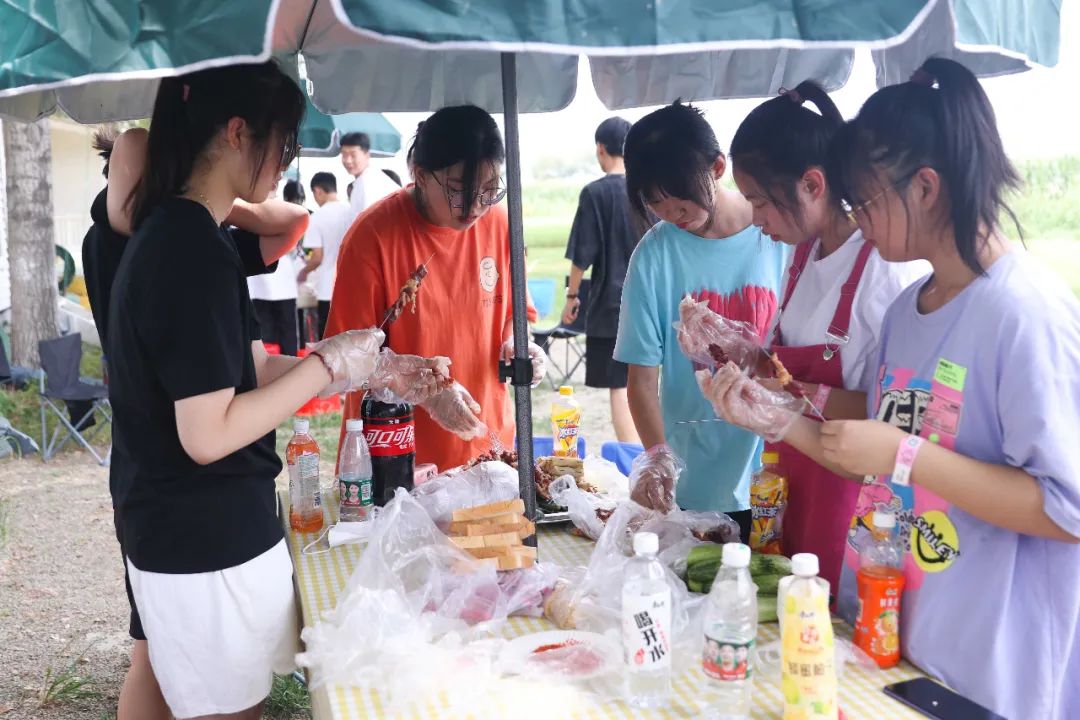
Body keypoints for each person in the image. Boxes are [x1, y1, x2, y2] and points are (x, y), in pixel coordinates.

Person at [699, 58, 1080, 720]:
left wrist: (905, 454)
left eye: (866, 202)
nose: (857, 221)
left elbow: (1064, 509)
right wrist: (773, 417)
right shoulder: (909, 313)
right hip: (894, 634)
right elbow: (868, 449)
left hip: (989, 664)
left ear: (925, 187)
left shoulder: (1024, 314)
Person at [106, 61, 449, 720]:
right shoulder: (187, 249)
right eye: (285, 144)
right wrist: (327, 365)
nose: (287, 163)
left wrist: (364, 368)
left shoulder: (189, 235)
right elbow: (207, 434)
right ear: (237, 132)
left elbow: (249, 371)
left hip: (188, 525)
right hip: (200, 536)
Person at [721, 80, 927, 587]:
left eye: (761, 202)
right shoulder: (801, 255)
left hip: (852, 507)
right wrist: (743, 358)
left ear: (813, 185)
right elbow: (782, 367)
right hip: (791, 494)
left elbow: (896, 416)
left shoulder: (884, 269)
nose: (755, 219)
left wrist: (788, 399)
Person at [326, 105, 543, 472]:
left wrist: (519, 347)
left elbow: (514, 315)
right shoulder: (372, 236)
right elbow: (343, 358)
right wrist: (425, 394)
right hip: (396, 455)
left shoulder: (501, 225)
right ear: (421, 175)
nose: (475, 206)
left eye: (489, 191)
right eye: (458, 191)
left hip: (488, 447)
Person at [614, 102, 788, 541]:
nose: (673, 214)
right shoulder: (654, 256)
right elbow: (641, 380)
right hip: (693, 483)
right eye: (656, 203)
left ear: (717, 168)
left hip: (775, 472)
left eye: (681, 198)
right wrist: (658, 457)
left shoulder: (778, 235)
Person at [559, 117, 642, 444]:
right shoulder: (645, 189)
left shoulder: (595, 193)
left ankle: (631, 453)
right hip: (649, 303)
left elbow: (582, 254)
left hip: (610, 306)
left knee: (619, 387)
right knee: (646, 381)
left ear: (600, 149)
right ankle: (649, 453)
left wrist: (572, 297)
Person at [247, 180, 304, 355]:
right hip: (264, 283)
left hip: (269, 283)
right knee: (278, 335)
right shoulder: (281, 211)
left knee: (270, 335)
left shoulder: (250, 210)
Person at [298, 172, 353, 338]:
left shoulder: (316, 218)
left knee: (328, 340)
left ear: (318, 191)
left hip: (327, 289)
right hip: (350, 286)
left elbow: (316, 258)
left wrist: (303, 272)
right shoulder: (352, 212)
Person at [339, 131, 398, 220]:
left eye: (353, 155)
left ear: (367, 155)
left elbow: (367, 222)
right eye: (344, 155)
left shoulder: (367, 183)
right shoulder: (372, 177)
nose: (348, 160)